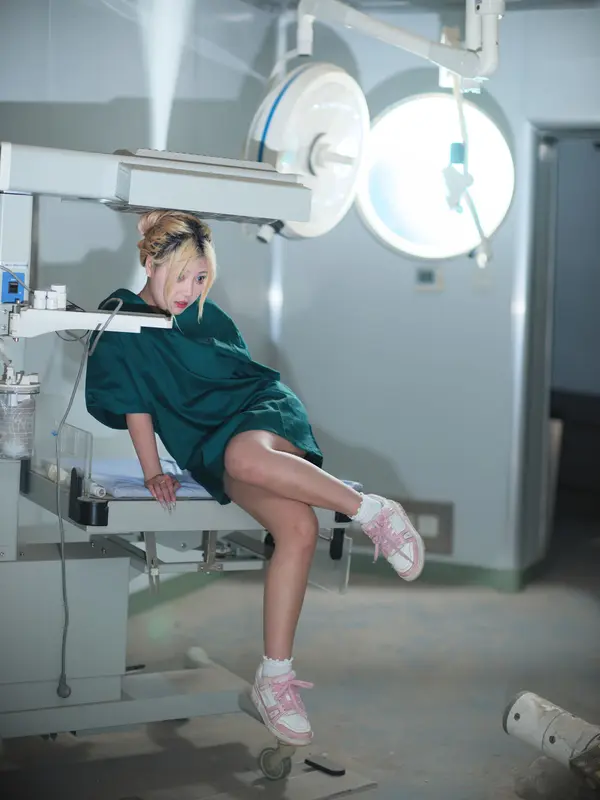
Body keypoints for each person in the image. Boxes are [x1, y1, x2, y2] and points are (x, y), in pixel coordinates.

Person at [85, 209, 425, 746]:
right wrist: (153, 472)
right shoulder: (122, 320)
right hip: (210, 447)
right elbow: (136, 404)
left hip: (260, 415)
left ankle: (373, 512)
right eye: (181, 276)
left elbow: (241, 380)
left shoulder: (205, 316)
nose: (191, 290)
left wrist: (234, 436)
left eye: (201, 277)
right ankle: (275, 679)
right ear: (150, 263)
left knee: (246, 458)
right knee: (299, 529)